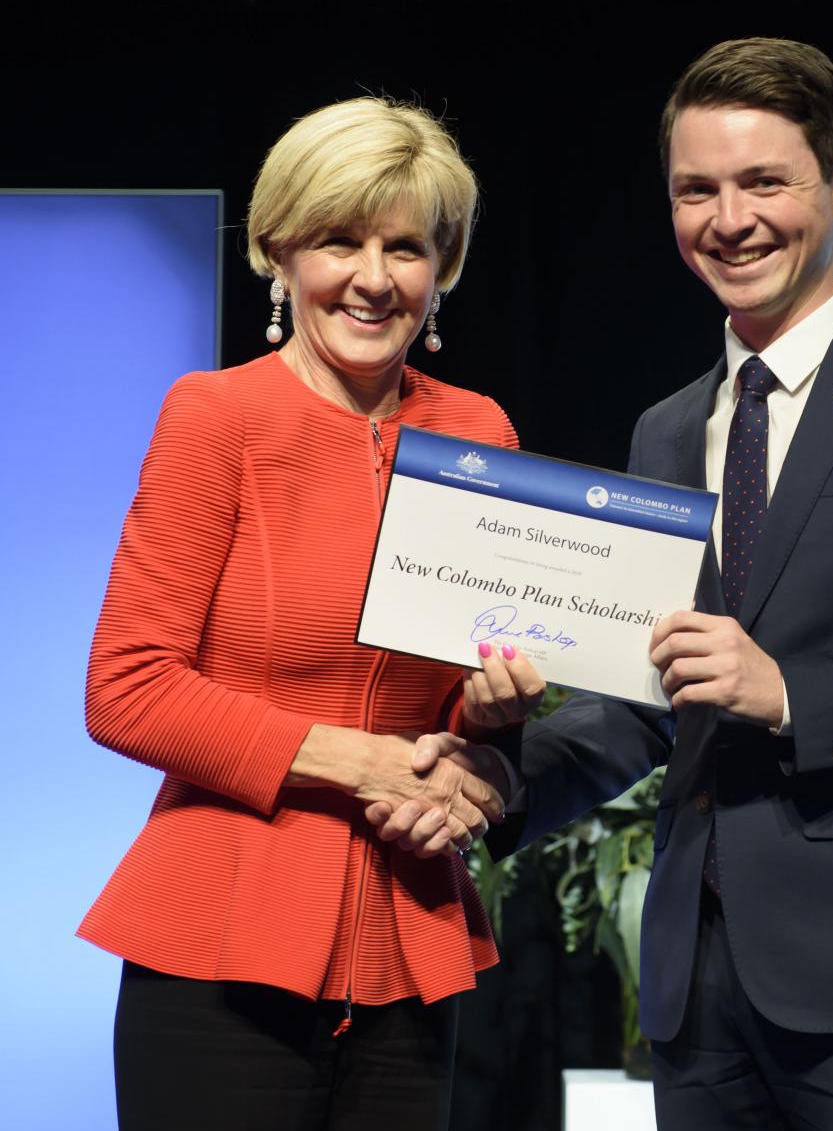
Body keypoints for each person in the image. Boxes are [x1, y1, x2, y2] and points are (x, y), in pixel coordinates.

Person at [374, 38, 833, 1129]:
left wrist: (793, 692)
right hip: (696, 988)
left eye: (764, 182)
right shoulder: (668, 428)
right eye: (695, 189)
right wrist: (501, 779)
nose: (728, 218)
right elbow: (646, 703)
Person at [79, 96, 544, 1131]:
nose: (374, 278)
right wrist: (353, 759)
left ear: (444, 265)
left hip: (407, 936)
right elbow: (126, 689)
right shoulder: (216, 417)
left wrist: (495, 729)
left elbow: (460, 711)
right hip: (220, 934)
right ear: (280, 249)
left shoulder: (479, 433)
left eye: (406, 247)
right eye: (340, 240)